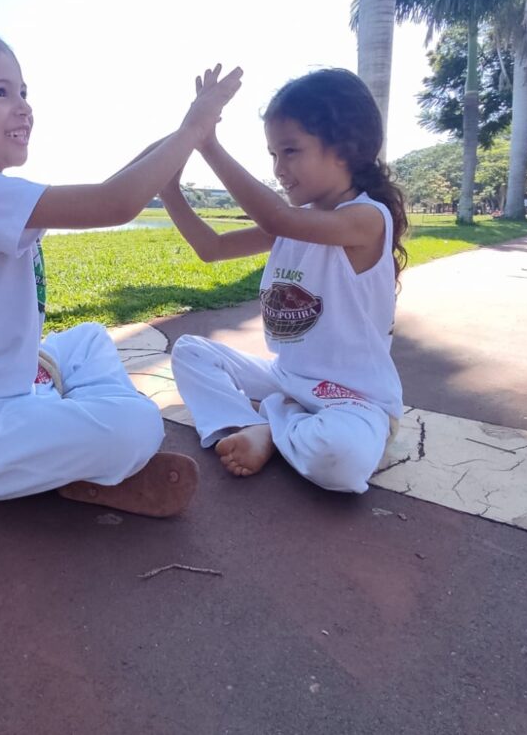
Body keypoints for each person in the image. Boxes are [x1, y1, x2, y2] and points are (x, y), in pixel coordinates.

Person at [0, 23, 242, 517]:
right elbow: (115, 202)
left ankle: (61, 432)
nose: (23, 105)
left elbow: (112, 187)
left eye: (23, 91)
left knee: (89, 337)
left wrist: (182, 133)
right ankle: (72, 440)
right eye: (0, 92)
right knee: (139, 427)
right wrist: (193, 131)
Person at [161, 68, 407, 494]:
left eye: (290, 151)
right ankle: (255, 424)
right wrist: (169, 191)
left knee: (340, 461)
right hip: (287, 377)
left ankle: (271, 430)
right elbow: (212, 248)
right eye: (273, 154)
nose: (278, 168)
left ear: (345, 149)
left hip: (352, 398)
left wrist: (207, 141)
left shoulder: (366, 220)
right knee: (190, 352)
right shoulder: (297, 223)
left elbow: (277, 216)